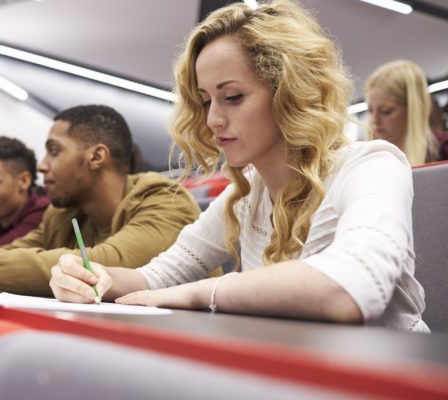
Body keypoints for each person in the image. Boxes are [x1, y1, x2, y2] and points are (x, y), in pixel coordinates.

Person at [49, 1, 429, 333]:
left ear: (289, 92)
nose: (213, 119)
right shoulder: (246, 192)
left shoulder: (373, 166)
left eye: (232, 97)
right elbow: (158, 276)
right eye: (205, 101)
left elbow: (351, 288)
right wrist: (94, 276)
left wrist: (204, 293)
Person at [0, 105, 201, 295]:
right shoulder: (62, 214)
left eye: (54, 151)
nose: (41, 165)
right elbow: (6, 254)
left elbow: (104, 263)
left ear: (96, 156)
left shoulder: (165, 199)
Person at [365, 59, 441, 165]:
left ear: (412, 109)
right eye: (370, 110)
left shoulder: (442, 151)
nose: (375, 120)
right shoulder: (366, 159)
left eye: (386, 111)